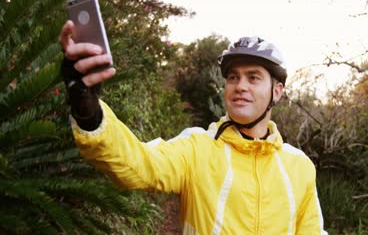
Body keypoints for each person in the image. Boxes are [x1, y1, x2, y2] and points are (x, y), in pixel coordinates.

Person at [59, 20, 328, 235]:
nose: (240, 86)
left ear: (277, 91)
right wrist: (88, 109)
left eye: (253, 77)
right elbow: (136, 165)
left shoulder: (299, 165)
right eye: (233, 77)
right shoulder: (197, 147)